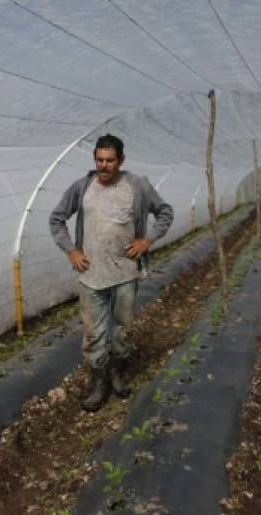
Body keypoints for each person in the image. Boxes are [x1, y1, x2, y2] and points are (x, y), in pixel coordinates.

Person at [50, 134, 174, 411]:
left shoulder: (137, 186)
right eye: (99, 160)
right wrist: (71, 250)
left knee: (122, 331)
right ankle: (99, 383)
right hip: (91, 275)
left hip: (125, 275)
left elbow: (165, 212)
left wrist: (147, 240)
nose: (104, 166)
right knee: (94, 334)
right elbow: (57, 219)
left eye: (110, 160)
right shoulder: (82, 188)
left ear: (121, 161)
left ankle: (117, 373)